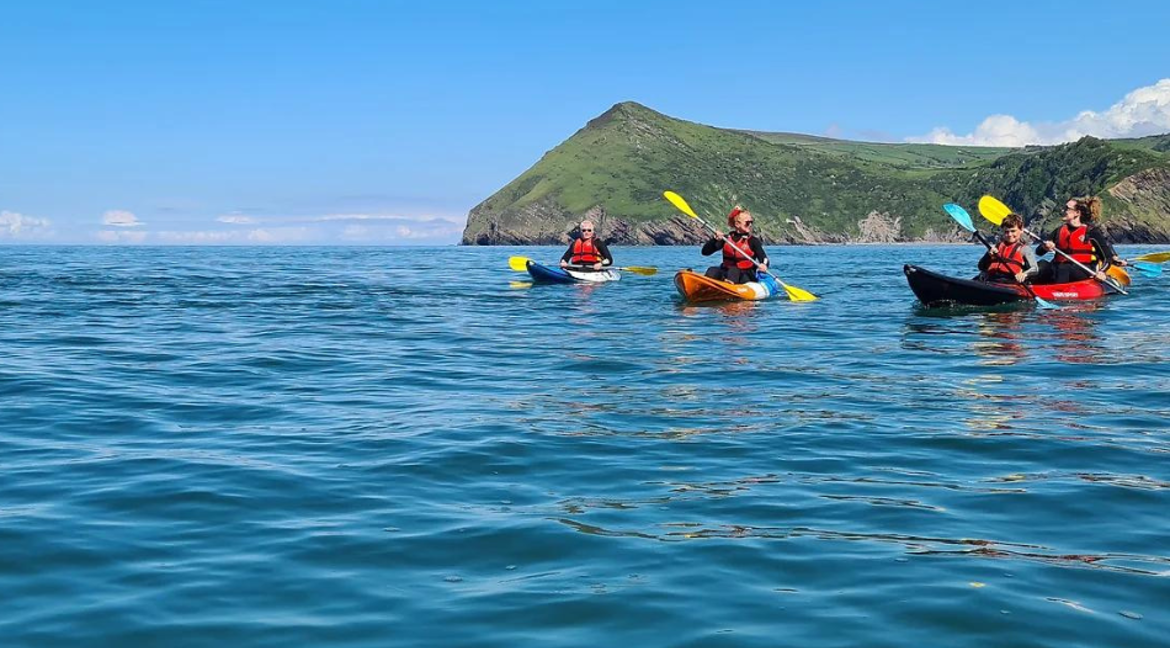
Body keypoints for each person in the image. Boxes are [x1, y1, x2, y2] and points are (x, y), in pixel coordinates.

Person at [1034, 196, 1125, 284]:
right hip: (1059, 269)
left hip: (1083, 271)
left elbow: (1107, 258)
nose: (1063, 210)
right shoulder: (1059, 231)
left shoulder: (1091, 232)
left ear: (1077, 213)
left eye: (1067, 208)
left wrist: (1101, 272)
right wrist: (1045, 247)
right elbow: (1038, 252)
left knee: (1064, 268)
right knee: (1042, 265)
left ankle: (1058, 292)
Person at [701, 206, 769, 284]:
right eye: (747, 223)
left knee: (734, 270)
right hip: (727, 272)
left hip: (746, 275)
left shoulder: (753, 241)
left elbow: (764, 258)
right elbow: (705, 252)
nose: (750, 225)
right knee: (712, 270)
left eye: (751, 222)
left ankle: (729, 287)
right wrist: (714, 240)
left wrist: (764, 264)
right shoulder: (726, 239)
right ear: (737, 224)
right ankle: (707, 287)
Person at [978, 213, 1039, 284]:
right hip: (992, 280)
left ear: (1021, 230)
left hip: (1011, 282)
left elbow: (1035, 269)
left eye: (1013, 231)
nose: (1009, 235)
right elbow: (981, 266)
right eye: (1006, 232)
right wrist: (988, 256)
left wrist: (1024, 274)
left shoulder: (1024, 249)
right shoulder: (996, 247)